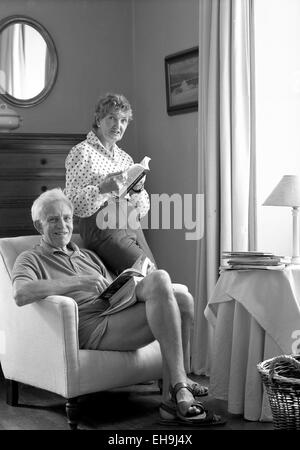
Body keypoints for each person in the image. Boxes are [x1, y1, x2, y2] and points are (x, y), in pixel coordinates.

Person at [12, 189, 224, 427]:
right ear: (39, 226)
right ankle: (181, 388)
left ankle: (170, 398)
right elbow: (21, 294)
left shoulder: (89, 256)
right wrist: (78, 282)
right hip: (91, 327)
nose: (62, 225)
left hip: (114, 310)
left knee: (180, 297)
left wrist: (129, 282)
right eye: (53, 219)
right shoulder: (30, 258)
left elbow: (110, 290)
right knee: (161, 280)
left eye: (67, 218)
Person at [65, 92, 156, 276]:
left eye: (123, 121)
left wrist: (137, 188)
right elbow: (71, 202)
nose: (118, 125)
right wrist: (102, 189)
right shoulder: (82, 152)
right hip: (102, 227)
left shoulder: (125, 158)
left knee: (158, 275)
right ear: (99, 120)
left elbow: (141, 210)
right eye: (112, 118)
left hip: (131, 224)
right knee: (150, 275)